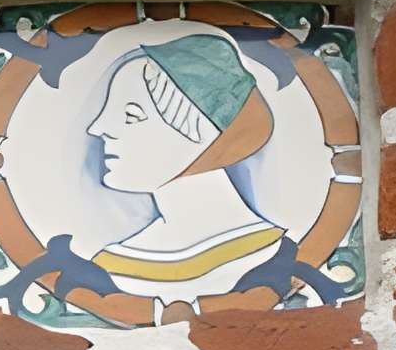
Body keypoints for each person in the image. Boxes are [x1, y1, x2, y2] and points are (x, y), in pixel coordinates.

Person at [87, 33, 287, 288]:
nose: (98, 127)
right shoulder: (115, 261)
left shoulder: (269, 255)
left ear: (203, 131)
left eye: (131, 115)